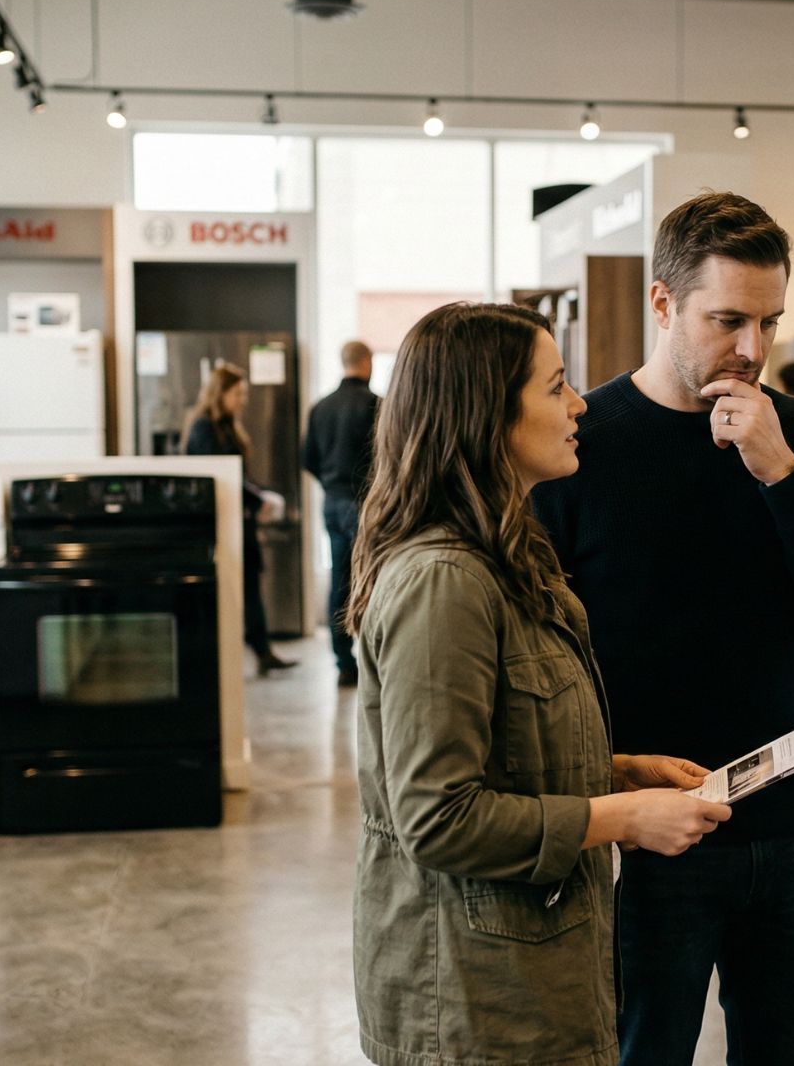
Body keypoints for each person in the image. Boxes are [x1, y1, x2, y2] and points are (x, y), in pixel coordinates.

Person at [533, 193, 794, 1065]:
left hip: (791, 827)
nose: (752, 349)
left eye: (769, 322)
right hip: (647, 835)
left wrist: (779, 472)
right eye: (727, 319)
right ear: (662, 304)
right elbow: (542, 653)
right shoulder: (585, 442)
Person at [349, 302, 733, 1066]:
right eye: (556, 386)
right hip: (468, 1000)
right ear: (488, 415)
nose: (579, 404)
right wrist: (623, 816)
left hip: (525, 979)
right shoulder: (443, 582)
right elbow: (438, 816)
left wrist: (619, 771)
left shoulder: (506, 554)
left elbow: (504, 753)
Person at [183, 362, 295, 674]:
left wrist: (261, 495)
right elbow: (221, 477)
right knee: (236, 590)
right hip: (220, 525)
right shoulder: (205, 428)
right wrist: (259, 497)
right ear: (221, 393)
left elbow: (239, 478)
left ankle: (261, 651)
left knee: (249, 587)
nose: (243, 399)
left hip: (237, 522)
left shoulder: (224, 425)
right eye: (238, 393)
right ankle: (246, 653)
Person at [302, 339, 380, 688]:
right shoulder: (375, 405)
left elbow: (307, 459)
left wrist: (331, 485)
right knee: (371, 578)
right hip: (364, 503)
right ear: (366, 362)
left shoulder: (320, 408)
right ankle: (373, 656)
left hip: (331, 502)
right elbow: (388, 458)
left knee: (340, 578)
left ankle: (342, 660)